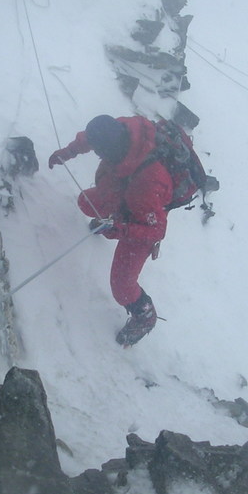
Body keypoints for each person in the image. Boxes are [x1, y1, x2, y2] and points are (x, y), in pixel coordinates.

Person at [48, 115, 173, 346]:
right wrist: (68, 152)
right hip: (124, 194)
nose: (98, 155)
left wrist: (120, 229)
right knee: (86, 202)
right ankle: (110, 220)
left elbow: (156, 230)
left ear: (111, 150)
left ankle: (144, 316)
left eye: (101, 153)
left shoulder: (149, 180)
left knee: (122, 288)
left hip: (141, 223)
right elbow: (90, 138)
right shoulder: (122, 129)